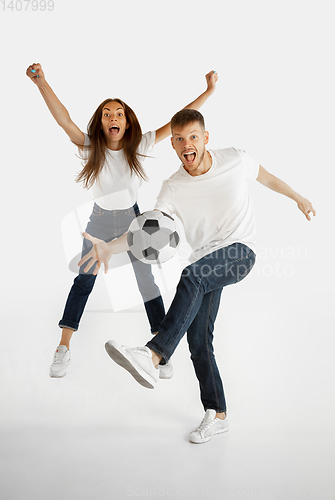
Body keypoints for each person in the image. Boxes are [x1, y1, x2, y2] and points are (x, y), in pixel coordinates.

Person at [77, 108, 316, 444]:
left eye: (192, 137)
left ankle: (153, 354)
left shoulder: (235, 159)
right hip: (206, 261)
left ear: (205, 138)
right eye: (178, 139)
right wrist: (109, 249)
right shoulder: (172, 187)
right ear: (173, 146)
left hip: (239, 251)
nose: (186, 144)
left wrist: (298, 198)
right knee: (199, 340)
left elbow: (267, 178)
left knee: (191, 276)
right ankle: (217, 414)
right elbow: (147, 228)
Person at [26, 63, 218, 379]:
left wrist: (208, 92)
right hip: (99, 223)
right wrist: (41, 83)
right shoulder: (90, 146)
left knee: (147, 282)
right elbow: (63, 120)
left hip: (134, 222)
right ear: (100, 124)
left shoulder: (138, 144)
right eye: (107, 114)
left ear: (127, 123)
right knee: (84, 279)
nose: (113, 117)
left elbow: (176, 122)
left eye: (119, 114)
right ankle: (63, 347)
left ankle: (160, 350)